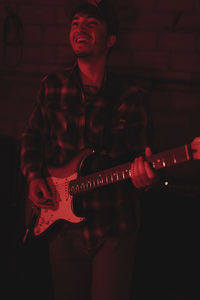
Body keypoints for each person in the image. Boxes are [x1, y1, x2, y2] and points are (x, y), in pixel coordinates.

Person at [20, 1, 157, 299]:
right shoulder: (52, 86)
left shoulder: (131, 97)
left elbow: (141, 162)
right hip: (62, 226)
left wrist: (143, 179)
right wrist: (33, 177)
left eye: (91, 23)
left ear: (110, 40)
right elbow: (32, 136)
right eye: (75, 22)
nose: (80, 28)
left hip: (114, 227)